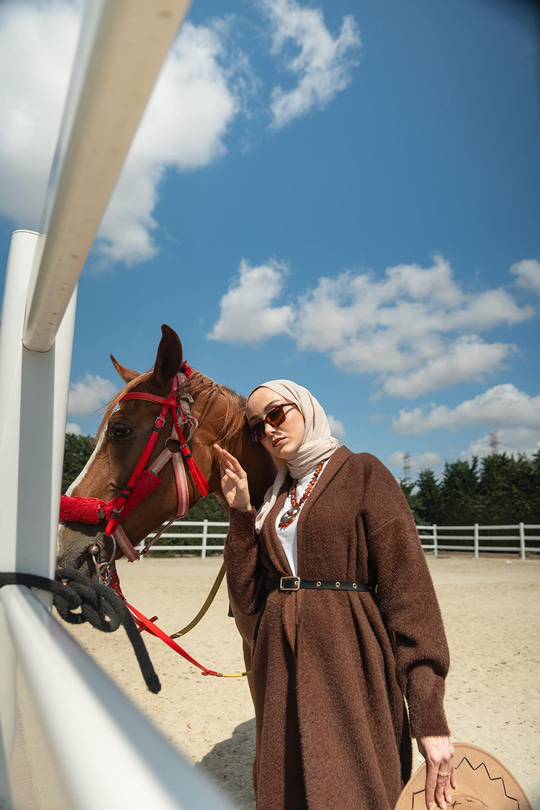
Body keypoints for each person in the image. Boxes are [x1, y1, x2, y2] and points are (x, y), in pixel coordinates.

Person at [214, 380, 454, 810]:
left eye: (276, 413)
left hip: (348, 660)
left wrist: (429, 718)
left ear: (306, 408)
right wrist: (241, 515)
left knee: (354, 787)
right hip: (279, 668)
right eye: (256, 427)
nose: (268, 429)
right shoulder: (274, 499)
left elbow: (409, 596)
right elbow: (247, 599)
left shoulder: (363, 472)